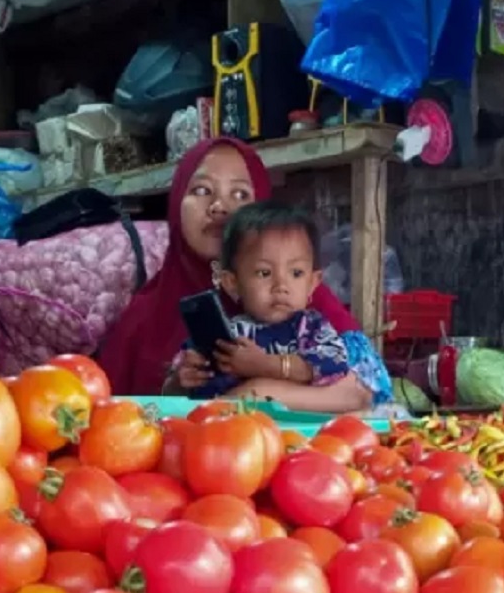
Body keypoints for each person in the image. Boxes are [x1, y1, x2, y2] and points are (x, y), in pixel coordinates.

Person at [97, 136, 391, 412]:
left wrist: (256, 393)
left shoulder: (303, 295)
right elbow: (110, 415)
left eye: (240, 194)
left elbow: (366, 390)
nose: (219, 207)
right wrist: (177, 384)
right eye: (201, 190)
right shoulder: (144, 316)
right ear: (176, 203)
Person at [165, 202, 352, 401]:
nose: (281, 285)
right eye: (264, 273)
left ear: (313, 283)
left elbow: (334, 365)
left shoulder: (312, 328)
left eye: (296, 273)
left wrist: (267, 365)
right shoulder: (226, 337)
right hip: (227, 420)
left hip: (295, 421)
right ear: (232, 283)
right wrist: (181, 380)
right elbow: (172, 392)